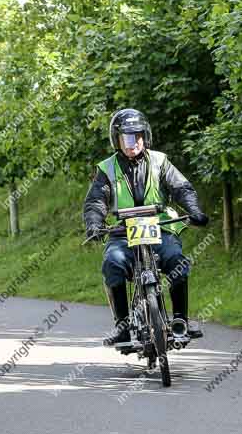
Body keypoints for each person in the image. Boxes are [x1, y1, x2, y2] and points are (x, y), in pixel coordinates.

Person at [83, 108, 209, 346]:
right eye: (126, 138)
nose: (132, 143)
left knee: (177, 260)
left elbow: (181, 188)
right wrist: (94, 224)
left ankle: (181, 321)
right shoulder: (107, 168)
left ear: (145, 136)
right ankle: (122, 327)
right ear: (116, 140)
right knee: (112, 263)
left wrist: (194, 211)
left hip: (160, 227)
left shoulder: (160, 161)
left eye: (136, 136)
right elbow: (96, 201)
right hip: (124, 231)